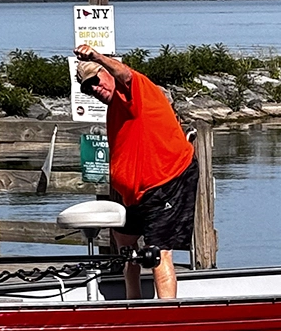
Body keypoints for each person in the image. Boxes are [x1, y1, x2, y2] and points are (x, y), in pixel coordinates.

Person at [73, 44, 198, 300]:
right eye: (87, 88)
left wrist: (96, 56)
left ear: (107, 72)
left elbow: (125, 74)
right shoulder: (113, 110)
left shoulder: (135, 90)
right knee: (126, 251)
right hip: (135, 195)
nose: (95, 89)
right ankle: (132, 303)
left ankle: (167, 314)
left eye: (95, 81)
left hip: (167, 181)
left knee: (157, 252)